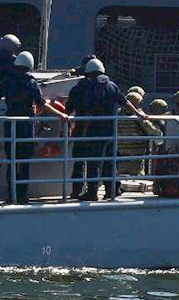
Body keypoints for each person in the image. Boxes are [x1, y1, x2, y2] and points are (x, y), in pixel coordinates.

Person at [0, 50, 69, 204]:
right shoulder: (32, 83)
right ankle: (22, 195)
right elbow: (42, 105)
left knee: (12, 161)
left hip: (11, 126)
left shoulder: (7, 80)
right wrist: (61, 115)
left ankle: (10, 195)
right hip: (27, 127)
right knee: (24, 162)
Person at [62, 57, 148, 202]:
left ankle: (91, 192)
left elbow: (87, 111)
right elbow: (125, 101)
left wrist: (83, 132)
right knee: (109, 162)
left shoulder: (87, 87)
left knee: (91, 163)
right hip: (110, 132)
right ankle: (111, 190)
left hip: (93, 132)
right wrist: (139, 114)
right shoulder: (112, 86)